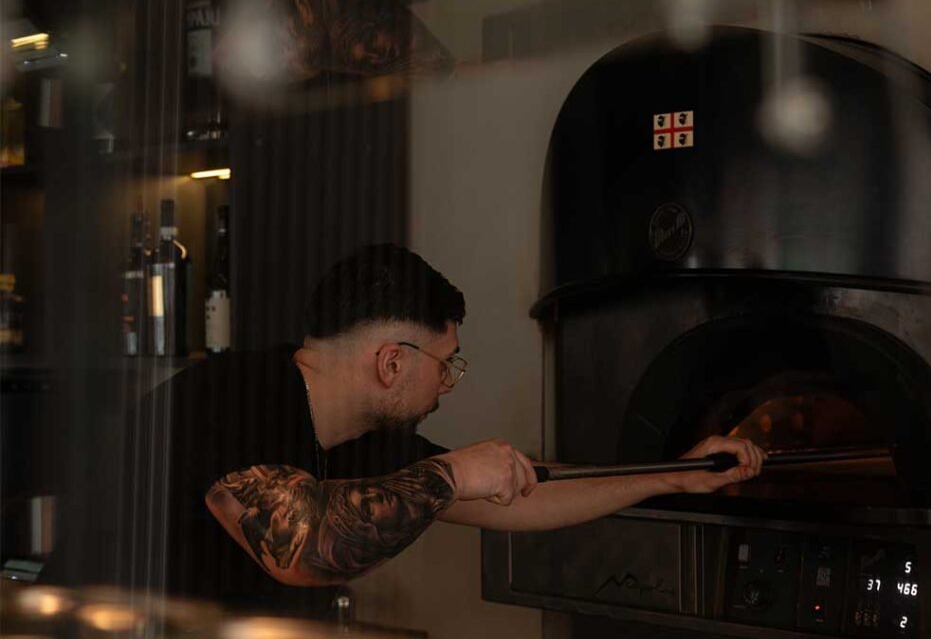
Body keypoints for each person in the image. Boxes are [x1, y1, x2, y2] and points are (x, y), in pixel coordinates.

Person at [202, 243, 764, 597]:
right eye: (446, 363)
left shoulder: (361, 438)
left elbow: (522, 494)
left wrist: (673, 476)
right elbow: (305, 549)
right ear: (392, 362)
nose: (448, 382)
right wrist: (452, 473)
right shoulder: (236, 396)